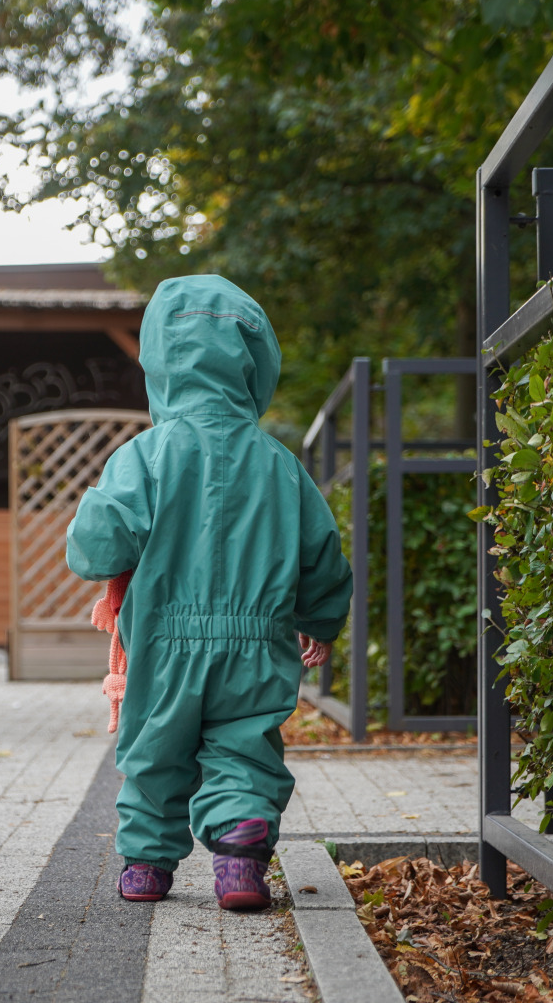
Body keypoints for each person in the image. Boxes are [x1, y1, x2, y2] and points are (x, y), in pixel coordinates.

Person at [65, 275, 353, 910]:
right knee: (244, 745)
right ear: (255, 366)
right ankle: (242, 855)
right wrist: (320, 620)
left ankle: (145, 865)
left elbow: (97, 549)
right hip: (257, 643)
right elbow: (322, 555)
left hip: (164, 641)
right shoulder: (280, 464)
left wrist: (94, 519)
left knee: (154, 750)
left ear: (161, 366)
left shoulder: (143, 456)